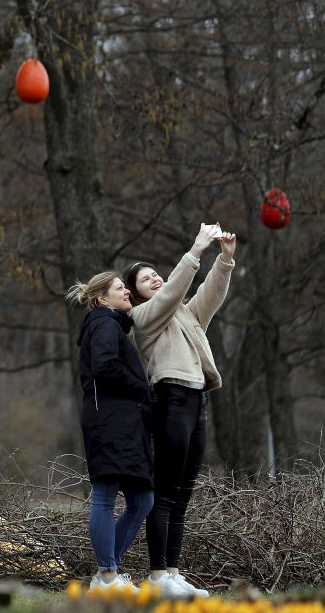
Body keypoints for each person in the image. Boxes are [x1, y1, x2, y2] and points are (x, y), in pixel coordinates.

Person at [122, 223, 236, 600]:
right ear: (135, 295)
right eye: (145, 280)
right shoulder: (144, 318)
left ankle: (172, 573)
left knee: (183, 493)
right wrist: (196, 249)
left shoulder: (185, 315)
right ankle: (157, 577)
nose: (154, 279)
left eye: (155, 274)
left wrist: (224, 259)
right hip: (170, 400)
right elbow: (174, 291)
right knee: (165, 491)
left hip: (198, 399)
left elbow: (208, 296)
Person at [69, 271, 156, 591]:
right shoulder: (104, 323)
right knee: (104, 498)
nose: (128, 292)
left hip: (123, 424)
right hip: (108, 421)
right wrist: (142, 389)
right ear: (102, 299)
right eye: (121, 288)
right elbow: (105, 367)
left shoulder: (111, 325)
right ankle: (107, 574)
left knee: (143, 500)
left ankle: (107, 572)